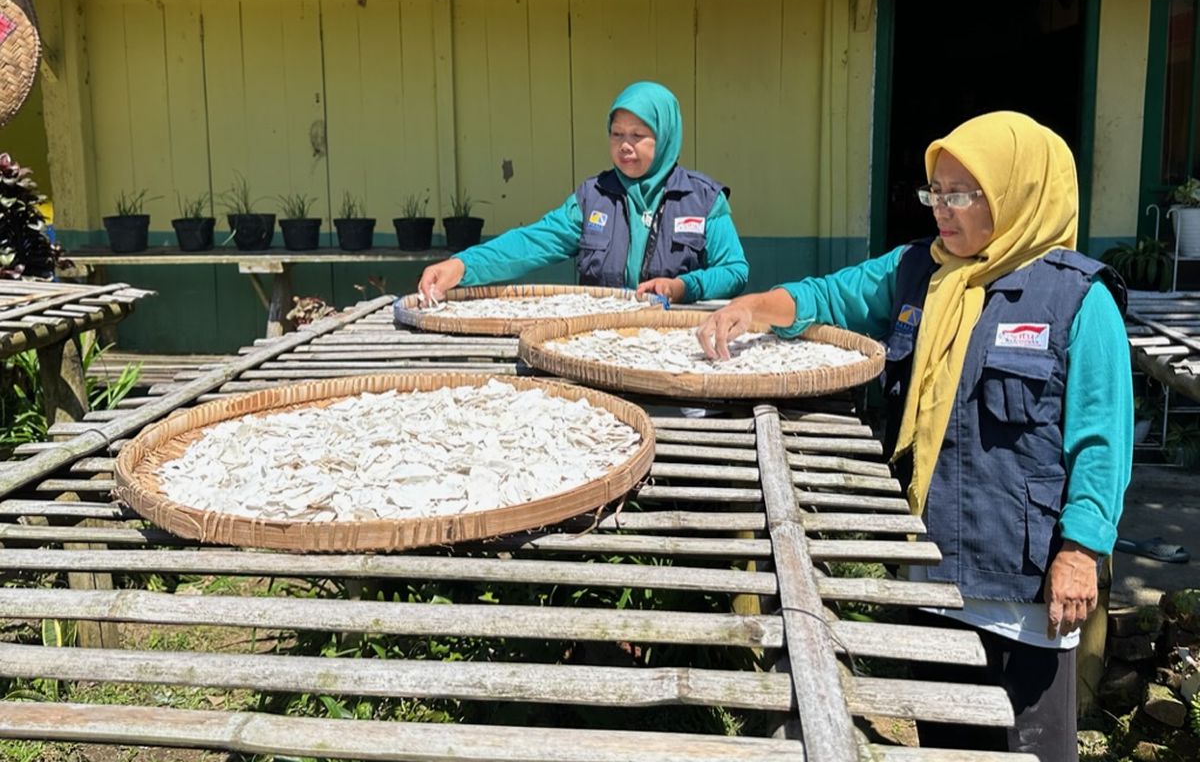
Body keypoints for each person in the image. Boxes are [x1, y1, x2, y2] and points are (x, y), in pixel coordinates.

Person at [696, 111, 1131, 761]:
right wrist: (755, 307)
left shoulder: (1075, 300)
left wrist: (1082, 549)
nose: (942, 211)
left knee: (1029, 747)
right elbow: (831, 296)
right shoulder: (917, 272)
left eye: (962, 193)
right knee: (947, 744)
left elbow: (1102, 439)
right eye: (936, 192)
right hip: (932, 573)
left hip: (1026, 588)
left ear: (1016, 192)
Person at [417, 81, 748, 305]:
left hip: (680, 350)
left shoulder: (704, 200)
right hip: (600, 347)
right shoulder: (593, 197)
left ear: (665, 137)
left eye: (639, 135)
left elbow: (734, 271)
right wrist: (462, 266)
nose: (625, 145)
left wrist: (683, 288)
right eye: (616, 134)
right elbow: (532, 242)